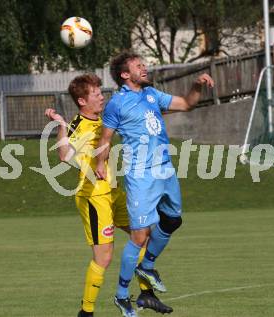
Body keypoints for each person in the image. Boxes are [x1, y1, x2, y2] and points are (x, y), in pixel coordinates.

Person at [95, 51, 214, 316]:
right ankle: (122, 295)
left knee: (173, 219)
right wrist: (100, 163)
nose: (145, 68)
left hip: (165, 169)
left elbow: (185, 104)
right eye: (139, 66)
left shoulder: (152, 94)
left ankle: (147, 266)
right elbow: (105, 138)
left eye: (144, 64)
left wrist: (197, 85)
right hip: (140, 174)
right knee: (140, 235)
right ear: (125, 75)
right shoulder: (116, 104)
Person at [44, 73, 172, 317]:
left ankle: (146, 295)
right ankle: (86, 311)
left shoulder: (104, 119)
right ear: (82, 101)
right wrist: (61, 125)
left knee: (143, 235)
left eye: (101, 92)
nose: (102, 97)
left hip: (113, 193)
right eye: (96, 94)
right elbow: (64, 155)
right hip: (94, 196)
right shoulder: (78, 125)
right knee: (104, 257)